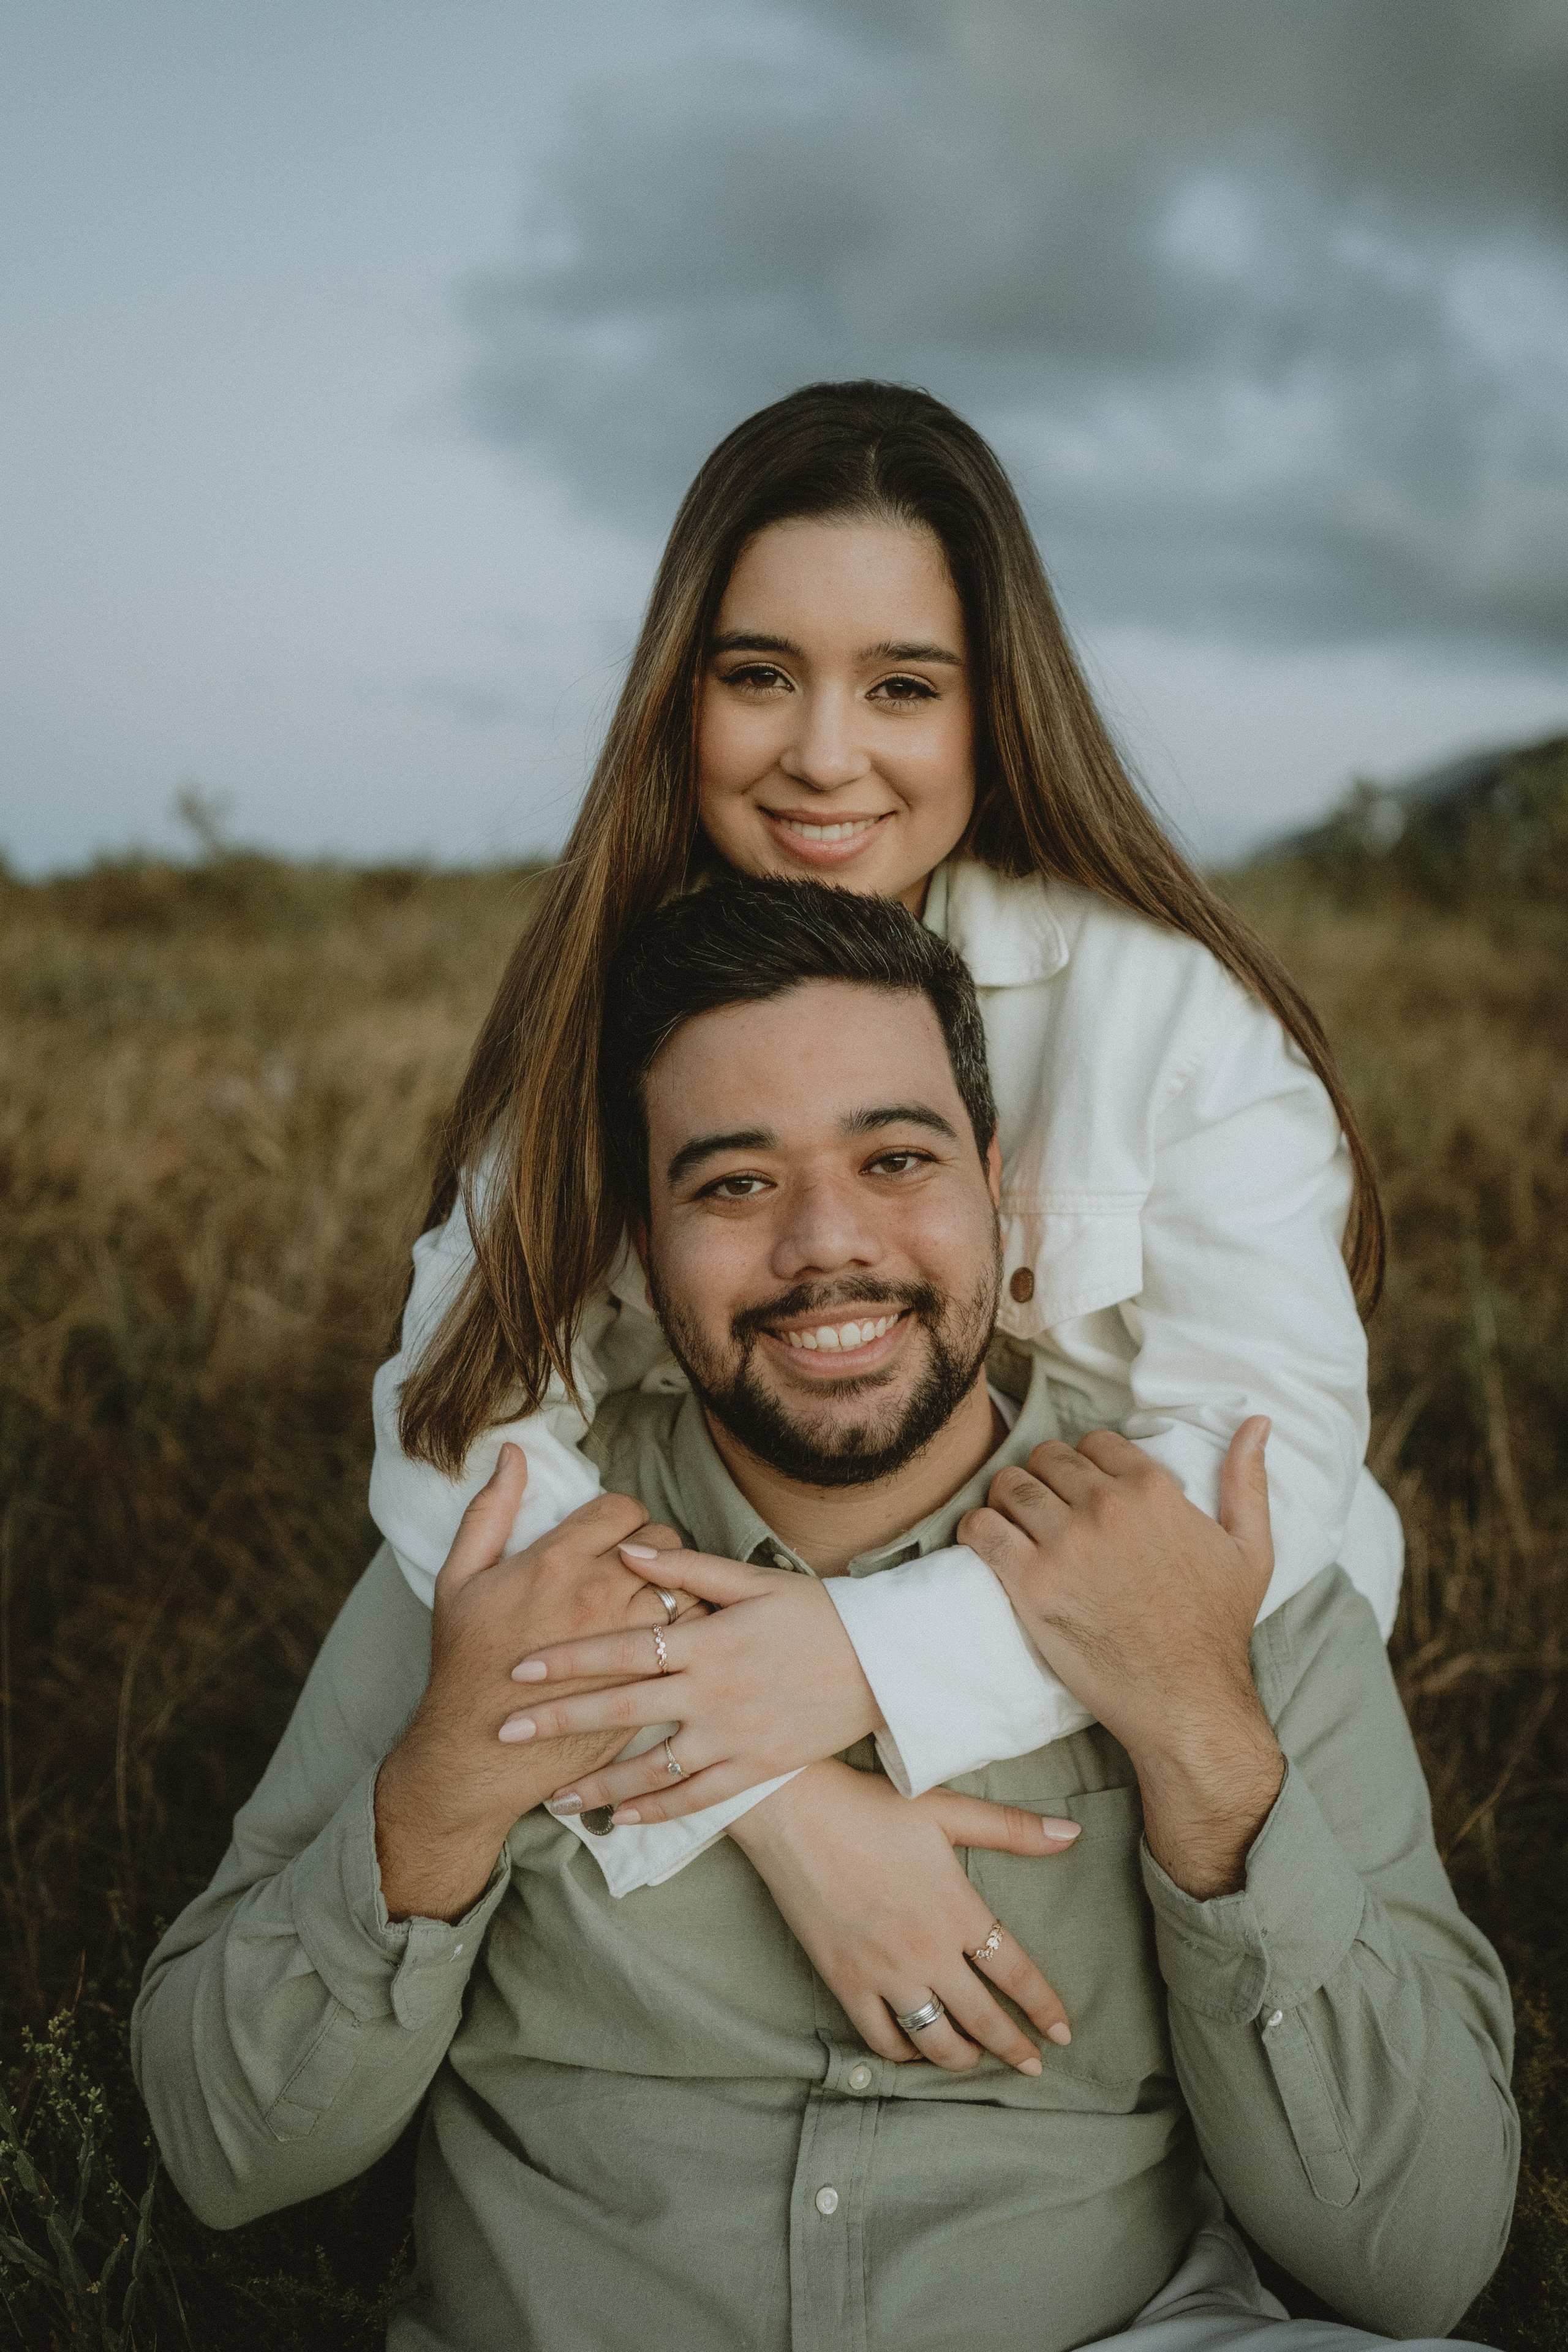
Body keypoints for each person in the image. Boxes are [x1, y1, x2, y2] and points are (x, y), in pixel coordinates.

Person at [134, 881, 1515, 2352]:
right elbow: (225, 2155)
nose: (823, 1244)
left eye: (895, 1159)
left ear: (996, 1186)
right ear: (640, 1237)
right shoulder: (501, 1561)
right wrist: (444, 1796)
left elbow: (1418, 2256)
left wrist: (1195, 1734)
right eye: (733, 1185)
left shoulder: (1207, 1563)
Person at [366, 380, 1405, 1945]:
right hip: (718, 1654)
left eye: (902, 685)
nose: (822, 755)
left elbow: (1272, 1474)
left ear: (995, 712)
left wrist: (861, 1662)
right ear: (677, 697)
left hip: (1124, 1693)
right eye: (758, 676)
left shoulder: (1168, 1015)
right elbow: (456, 1437)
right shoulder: (610, 1011)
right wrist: (769, 1786)